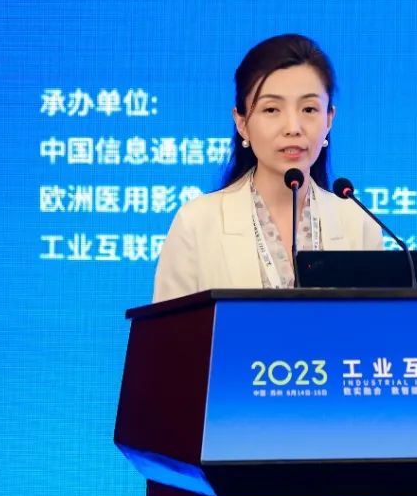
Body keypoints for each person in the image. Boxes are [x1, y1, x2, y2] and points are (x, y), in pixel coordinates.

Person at [152, 34, 383, 302]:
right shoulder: (197, 223)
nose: (293, 128)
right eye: (272, 110)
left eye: (309, 109)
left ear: (329, 119)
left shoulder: (358, 223)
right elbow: (169, 328)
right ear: (241, 123)